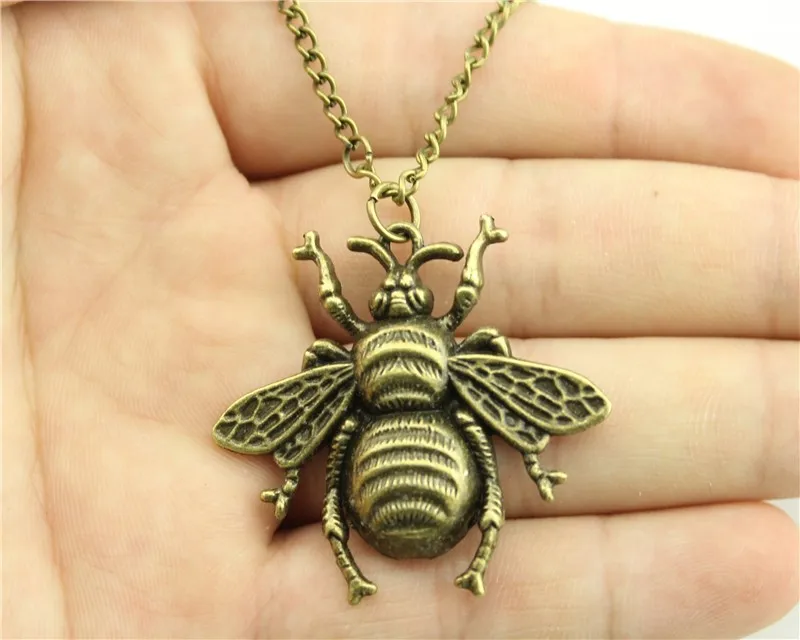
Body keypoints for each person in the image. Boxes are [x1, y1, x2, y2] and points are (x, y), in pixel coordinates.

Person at [3, 2, 798, 638]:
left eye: (397, 296)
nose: (399, 295)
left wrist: (322, 263)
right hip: (435, 445)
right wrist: (474, 251)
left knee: (339, 450)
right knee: (481, 440)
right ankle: (476, 548)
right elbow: (476, 320)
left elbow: (336, 326)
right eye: (402, 295)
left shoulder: (350, 354)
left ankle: (363, 561)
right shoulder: (458, 350)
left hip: (376, 446)